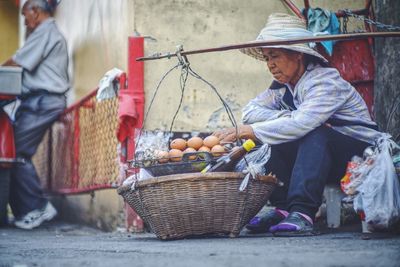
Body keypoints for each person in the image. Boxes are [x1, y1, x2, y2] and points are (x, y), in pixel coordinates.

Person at [213, 13, 381, 236]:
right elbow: (250, 112)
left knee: (314, 133)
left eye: (275, 56)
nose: (270, 65)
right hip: (323, 159)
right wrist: (284, 118)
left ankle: (302, 213)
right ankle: (283, 208)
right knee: (275, 139)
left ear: (298, 55)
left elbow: (303, 123)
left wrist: (255, 130)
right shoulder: (284, 88)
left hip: (361, 154)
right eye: (266, 59)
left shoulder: (324, 81)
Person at [1, 0, 69, 229]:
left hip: (44, 100)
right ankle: (28, 209)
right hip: (39, 100)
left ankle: (37, 207)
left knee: (17, 153)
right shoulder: (45, 31)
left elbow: (15, 63)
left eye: (25, 15)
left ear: (36, 12)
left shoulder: (45, 30)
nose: (25, 21)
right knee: (15, 153)